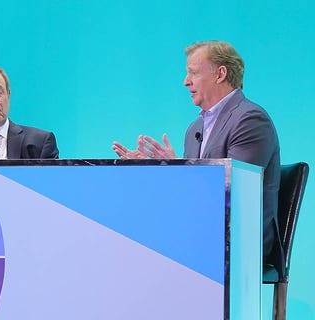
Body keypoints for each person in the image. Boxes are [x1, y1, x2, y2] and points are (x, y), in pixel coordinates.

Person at [111, 40, 281, 265]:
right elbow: (193, 192)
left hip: (240, 238)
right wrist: (167, 168)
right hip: (200, 233)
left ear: (220, 74)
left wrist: (180, 169)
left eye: (193, 73)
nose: (185, 81)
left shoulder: (249, 120)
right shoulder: (195, 129)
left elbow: (234, 192)